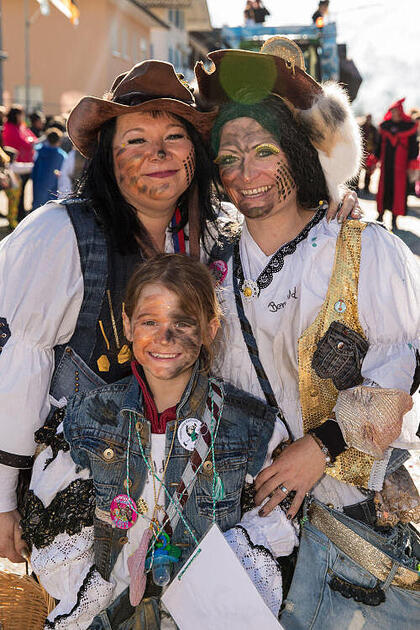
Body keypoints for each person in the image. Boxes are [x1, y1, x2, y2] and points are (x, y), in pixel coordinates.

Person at [0, 57, 357, 565]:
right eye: (136, 140)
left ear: (197, 151)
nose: (158, 155)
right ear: (108, 154)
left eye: (175, 137)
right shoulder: (60, 236)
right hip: (87, 508)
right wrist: (2, 501)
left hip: (200, 505)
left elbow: (291, 229)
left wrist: (335, 206)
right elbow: (18, 370)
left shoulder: (220, 234)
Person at [196, 39, 420, 628]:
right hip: (235, 522)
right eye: (228, 157)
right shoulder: (207, 261)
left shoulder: (364, 251)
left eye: (264, 151)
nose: (246, 174)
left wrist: (320, 447)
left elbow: (396, 375)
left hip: (342, 524)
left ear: (296, 152)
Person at [21, 254, 296, 627]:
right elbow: (56, 537)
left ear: (210, 329)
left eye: (182, 323)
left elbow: (275, 526)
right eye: (150, 322)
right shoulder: (87, 418)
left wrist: (203, 579)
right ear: (127, 325)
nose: (165, 338)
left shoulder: (249, 426)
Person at [375, 98, 418, 230]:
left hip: (400, 168)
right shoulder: (385, 126)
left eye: (396, 112)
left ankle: (394, 219)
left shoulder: (408, 127)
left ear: (400, 112)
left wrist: (412, 165)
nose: (394, 114)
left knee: (398, 193)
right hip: (386, 166)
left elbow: (413, 148)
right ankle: (381, 215)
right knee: (384, 190)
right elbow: (378, 146)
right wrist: (374, 159)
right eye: (392, 111)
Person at [1, 105, 36, 221]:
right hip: (15, 167)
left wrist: (31, 141)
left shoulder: (21, 126)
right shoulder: (9, 128)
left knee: (20, 193)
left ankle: (19, 216)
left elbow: (32, 139)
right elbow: (24, 142)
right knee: (16, 194)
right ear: (16, 115)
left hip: (24, 164)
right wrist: (30, 142)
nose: (23, 117)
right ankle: (17, 217)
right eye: (21, 114)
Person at [32, 127, 67, 210]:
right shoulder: (61, 155)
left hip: (39, 183)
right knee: (50, 209)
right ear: (59, 140)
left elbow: (35, 168)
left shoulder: (39, 151)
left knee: (37, 208)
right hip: (53, 186)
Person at [359, 113, 379, 193]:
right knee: (358, 170)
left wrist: (374, 152)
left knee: (368, 172)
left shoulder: (373, 129)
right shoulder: (361, 127)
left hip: (369, 153)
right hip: (361, 152)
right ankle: (356, 187)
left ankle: (366, 188)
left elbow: (376, 141)